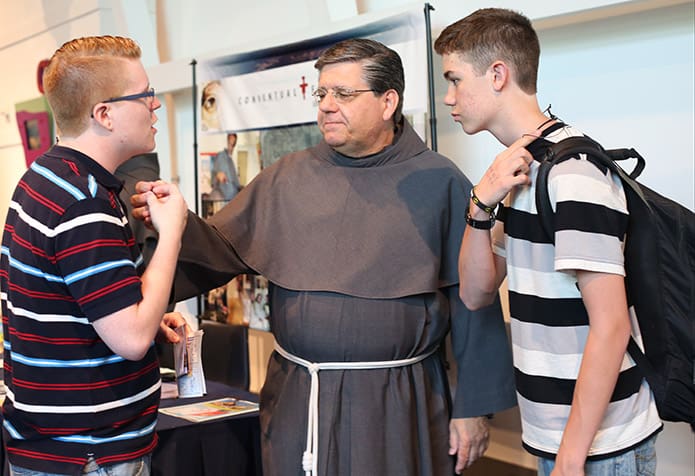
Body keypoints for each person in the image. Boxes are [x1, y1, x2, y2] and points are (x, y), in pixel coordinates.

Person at [134, 38, 516, 476]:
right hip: (300, 396)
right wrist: (175, 221)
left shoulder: (440, 181)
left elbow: (474, 303)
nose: (327, 106)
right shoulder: (288, 175)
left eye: (344, 94)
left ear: (388, 101)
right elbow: (220, 247)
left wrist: (473, 411)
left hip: (397, 404)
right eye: (322, 94)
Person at [434, 9, 662, 476]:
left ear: (498, 74)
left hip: (600, 449)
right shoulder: (522, 168)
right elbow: (476, 293)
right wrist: (480, 204)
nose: (448, 97)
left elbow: (612, 325)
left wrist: (571, 459)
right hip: (557, 441)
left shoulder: (571, 172)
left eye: (455, 79)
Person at [0, 35, 188, 475]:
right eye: (145, 95)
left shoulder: (45, 177)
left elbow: (72, 305)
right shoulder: (83, 202)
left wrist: (138, 315)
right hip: (90, 455)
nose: (155, 106)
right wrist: (171, 232)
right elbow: (132, 339)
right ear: (104, 114)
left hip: (58, 445)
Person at [211, 132, 242, 201]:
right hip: (225, 198)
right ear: (226, 142)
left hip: (234, 197)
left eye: (233, 144)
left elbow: (236, 183)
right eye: (229, 143)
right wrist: (218, 176)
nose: (231, 147)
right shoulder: (221, 157)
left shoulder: (230, 159)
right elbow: (214, 180)